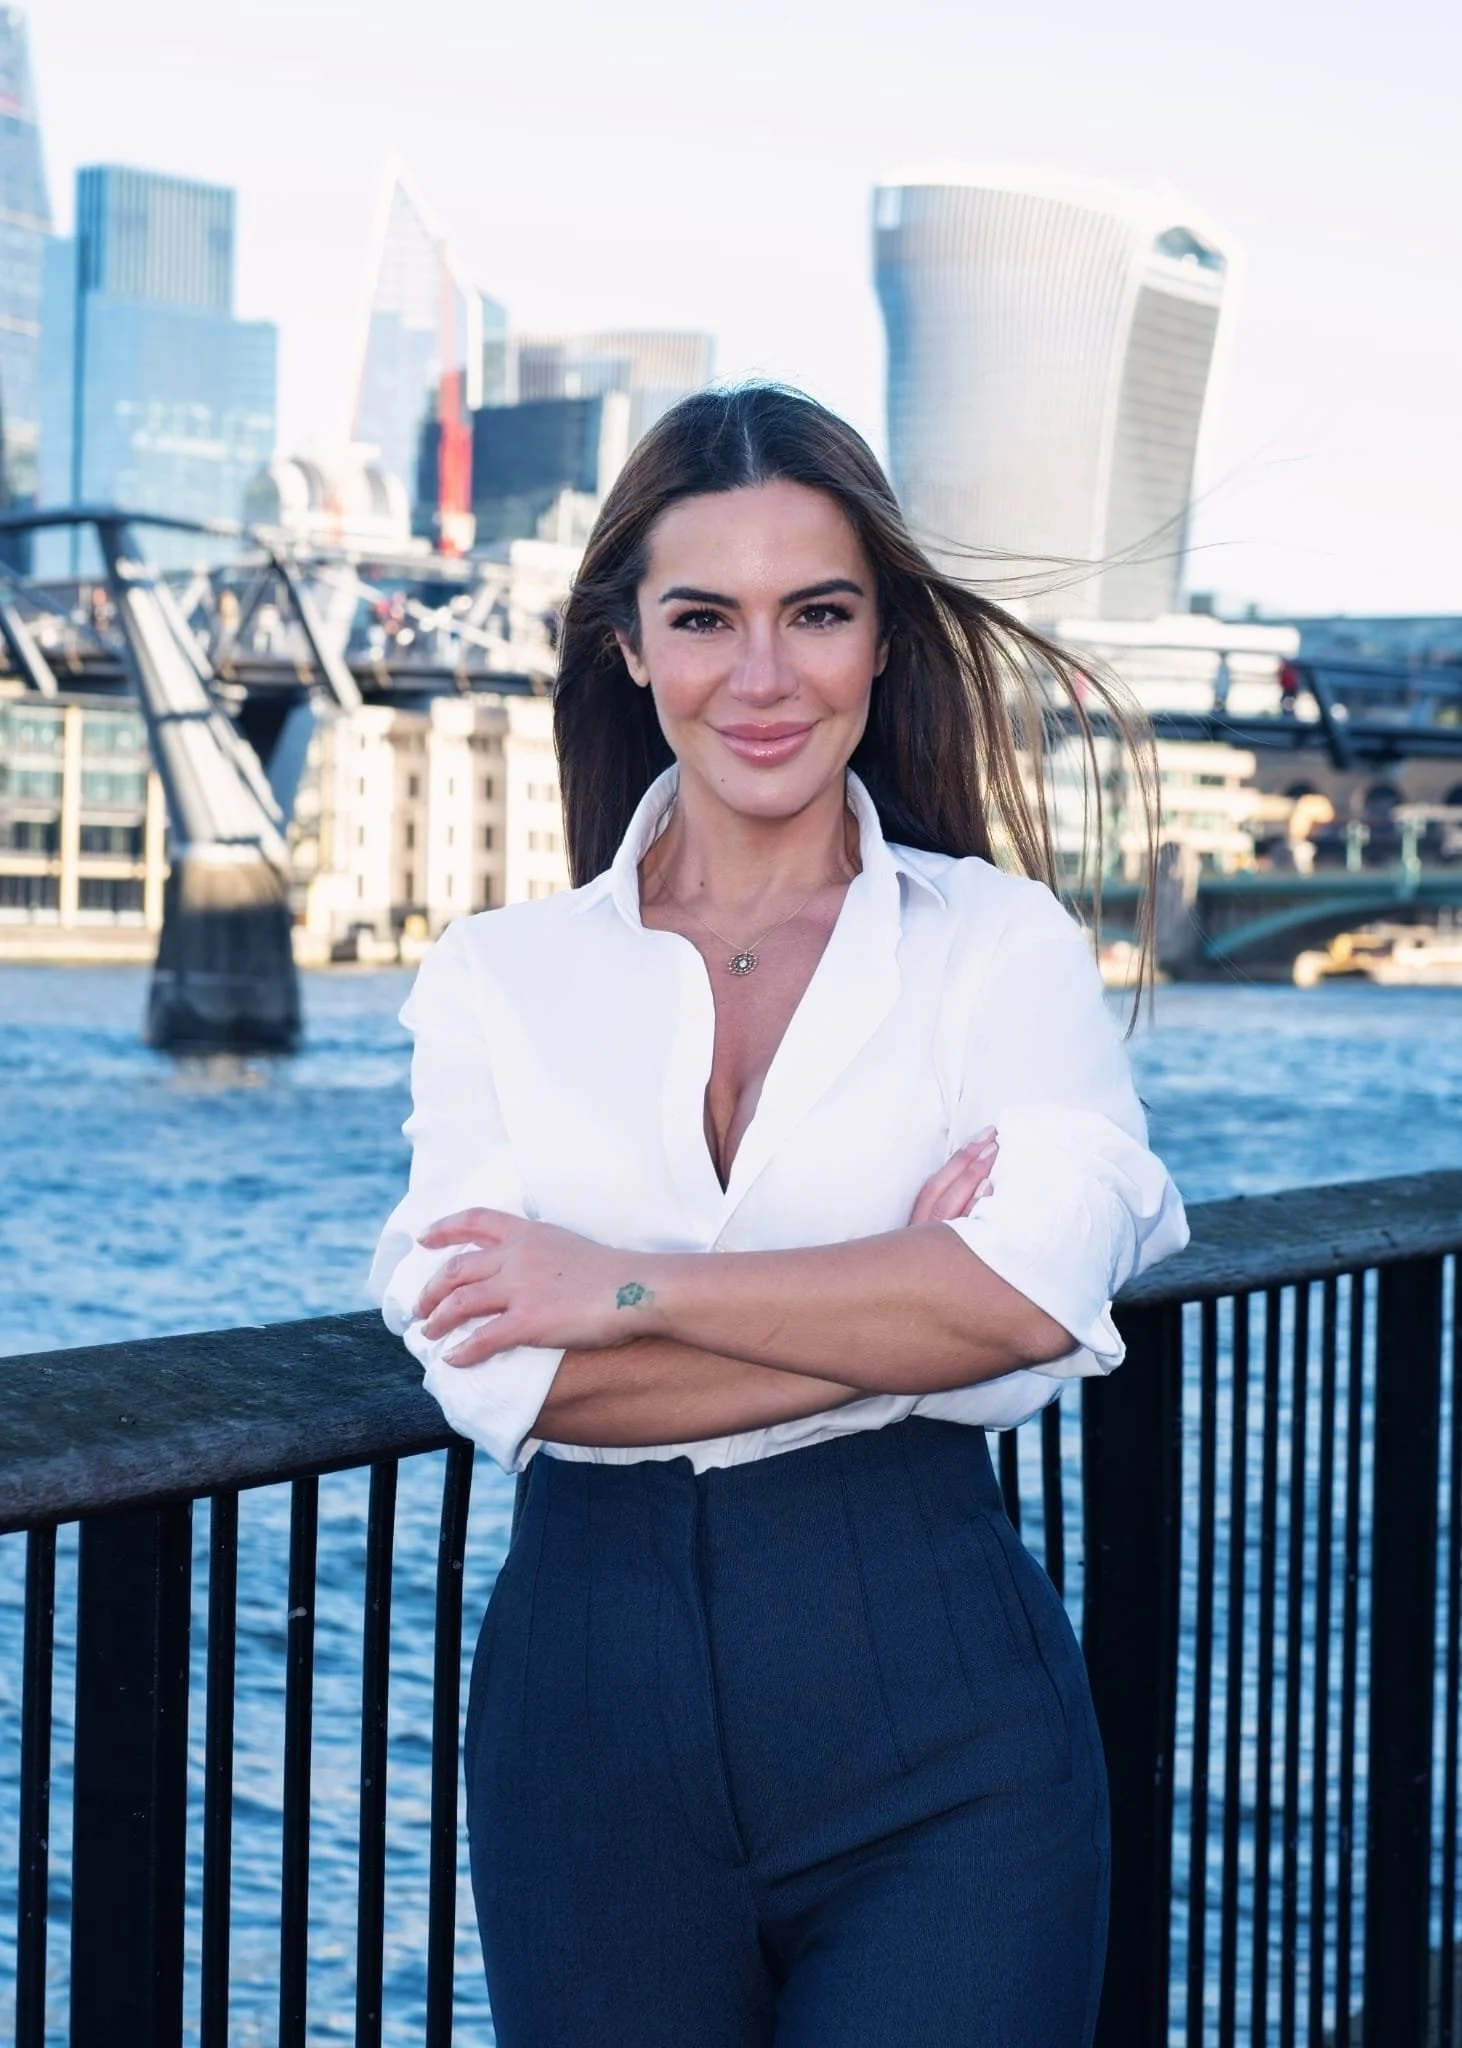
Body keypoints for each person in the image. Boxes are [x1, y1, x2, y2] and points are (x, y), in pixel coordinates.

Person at [369, 384, 1189, 2047]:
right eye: (702, 619)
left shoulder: (996, 943)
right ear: (627, 647)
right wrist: (909, 1308)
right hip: (584, 1733)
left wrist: (623, 1291)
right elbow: (492, 1370)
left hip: (939, 1718)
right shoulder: (498, 979)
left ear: (880, 641)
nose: (762, 676)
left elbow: (1032, 1292)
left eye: (815, 613)